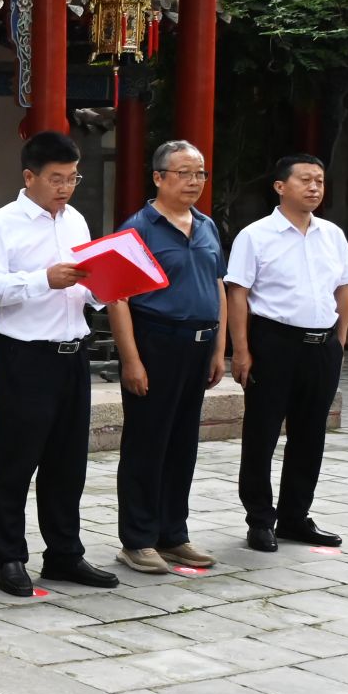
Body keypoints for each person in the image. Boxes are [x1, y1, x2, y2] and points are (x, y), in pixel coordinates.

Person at [0, 130, 121, 599]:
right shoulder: (1, 224)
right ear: (29, 176)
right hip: (26, 357)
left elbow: (83, 287)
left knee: (68, 462)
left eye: (73, 178)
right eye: (57, 178)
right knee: (17, 461)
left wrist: (105, 286)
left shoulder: (76, 221)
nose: (66, 187)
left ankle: (64, 554)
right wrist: (42, 280)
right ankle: (9, 557)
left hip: (73, 354)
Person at [227, 154, 348, 552]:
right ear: (280, 186)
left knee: (310, 434)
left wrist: (339, 342)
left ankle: (295, 517)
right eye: (305, 180)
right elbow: (238, 294)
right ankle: (259, 520)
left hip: (322, 346)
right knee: (262, 434)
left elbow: (343, 289)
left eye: (319, 180)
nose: (314, 187)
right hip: (274, 344)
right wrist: (241, 350)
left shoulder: (332, 234)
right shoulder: (255, 235)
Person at [107, 142, 226, 575]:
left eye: (200, 173)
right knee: (147, 443)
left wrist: (219, 348)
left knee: (182, 443)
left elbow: (217, 285)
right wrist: (131, 360)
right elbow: (118, 298)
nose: (194, 181)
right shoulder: (138, 229)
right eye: (184, 173)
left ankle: (173, 534)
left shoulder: (207, 226)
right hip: (156, 341)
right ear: (158, 177)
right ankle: (138, 539)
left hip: (199, 343)